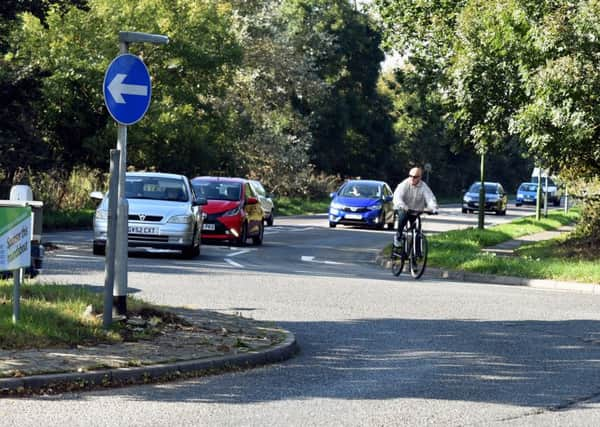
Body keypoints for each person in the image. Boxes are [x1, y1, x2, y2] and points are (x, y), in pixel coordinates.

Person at [392, 166, 438, 247]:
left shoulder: (424, 186)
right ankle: (398, 237)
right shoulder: (404, 184)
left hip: (416, 211)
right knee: (402, 219)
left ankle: (417, 248)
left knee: (416, 228)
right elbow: (397, 197)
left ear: (420, 177)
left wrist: (433, 208)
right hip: (404, 209)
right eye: (410, 176)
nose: (412, 178)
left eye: (415, 177)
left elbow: (430, 198)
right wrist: (402, 206)